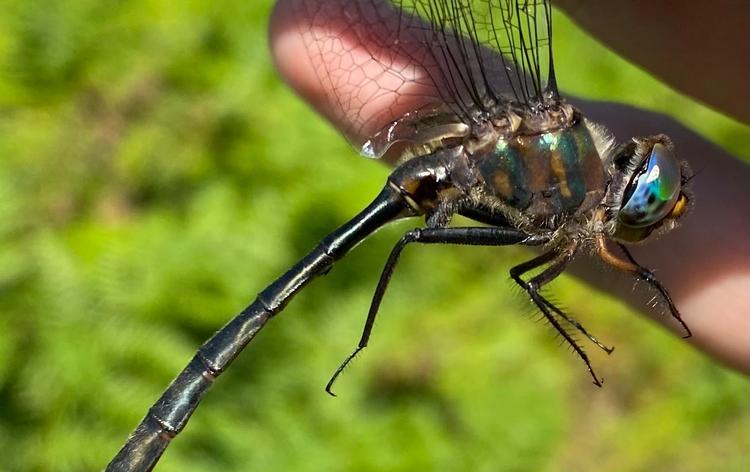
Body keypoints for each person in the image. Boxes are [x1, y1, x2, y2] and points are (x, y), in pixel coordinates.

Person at [269, 0, 750, 373]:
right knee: (416, 237)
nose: (666, 205)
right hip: (446, 172)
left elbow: (532, 277)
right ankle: (361, 345)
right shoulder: (564, 172)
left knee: (499, 266)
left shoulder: (570, 187)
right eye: (651, 198)